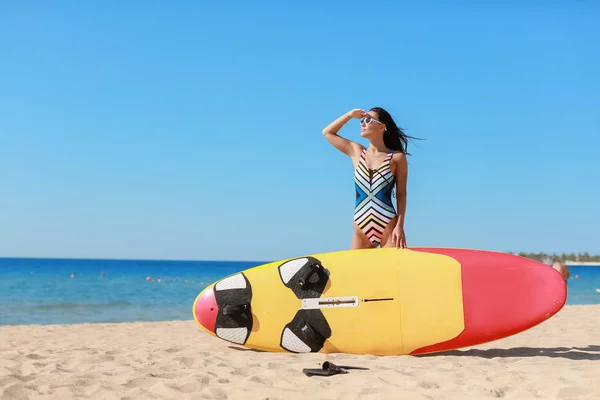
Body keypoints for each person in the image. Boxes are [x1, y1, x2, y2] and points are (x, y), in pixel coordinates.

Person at [322, 107, 414, 250]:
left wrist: (400, 227)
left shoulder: (396, 158)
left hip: (388, 227)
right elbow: (327, 132)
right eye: (362, 120)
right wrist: (349, 115)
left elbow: (401, 194)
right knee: (355, 272)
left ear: (382, 127)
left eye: (368, 120)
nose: (363, 123)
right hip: (361, 228)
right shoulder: (356, 152)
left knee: (393, 272)